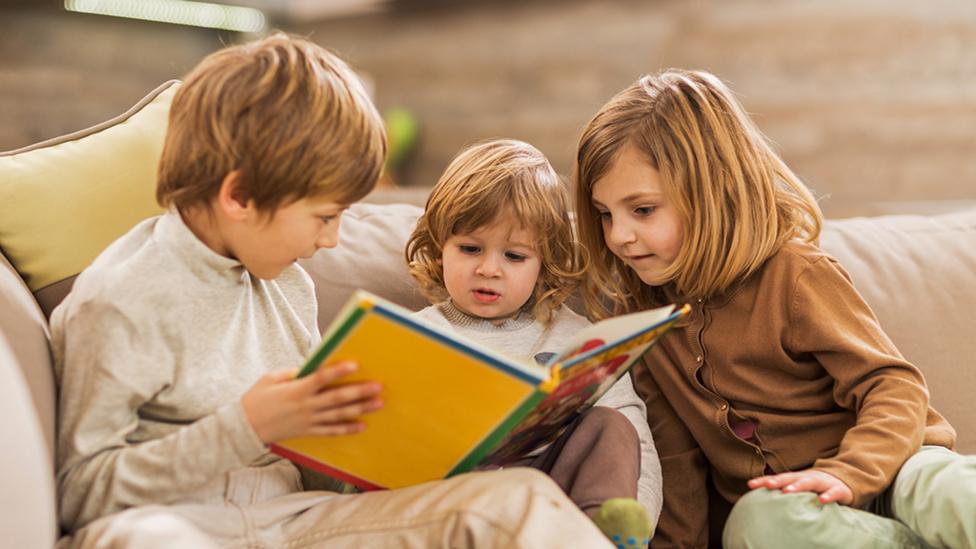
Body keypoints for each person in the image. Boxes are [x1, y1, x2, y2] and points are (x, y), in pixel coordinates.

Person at [51, 34, 615, 548]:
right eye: (325, 216)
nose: (333, 239)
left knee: (514, 501)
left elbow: (316, 468)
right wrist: (248, 427)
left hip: (298, 522)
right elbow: (81, 494)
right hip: (176, 527)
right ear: (241, 196)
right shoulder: (119, 301)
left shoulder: (286, 285)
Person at [572, 68, 976, 548]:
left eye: (642, 210)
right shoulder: (638, 324)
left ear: (713, 192)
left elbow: (893, 386)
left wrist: (852, 472)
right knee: (757, 523)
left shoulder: (793, 274)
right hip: (800, 513)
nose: (619, 235)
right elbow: (676, 462)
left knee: (948, 488)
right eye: (604, 214)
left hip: (895, 466)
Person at [406, 139, 661, 547]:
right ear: (439, 251)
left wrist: (639, 518)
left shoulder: (577, 336)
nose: (488, 269)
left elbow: (634, 443)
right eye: (470, 249)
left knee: (611, 426)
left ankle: (603, 534)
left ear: (545, 263)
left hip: (559, 512)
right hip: (453, 507)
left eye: (515, 256)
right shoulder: (410, 335)